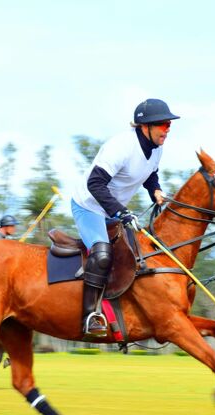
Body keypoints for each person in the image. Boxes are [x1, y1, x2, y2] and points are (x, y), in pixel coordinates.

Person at [70, 98, 179, 335]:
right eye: (163, 124)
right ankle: (90, 316)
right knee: (101, 254)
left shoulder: (156, 148)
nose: (167, 129)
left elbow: (151, 173)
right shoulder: (120, 147)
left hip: (112, 210)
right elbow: (95, 184)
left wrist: (155, 190)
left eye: (169, 124)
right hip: (88, 206)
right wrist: (120, 211)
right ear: (144, 126)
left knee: (138, 255)